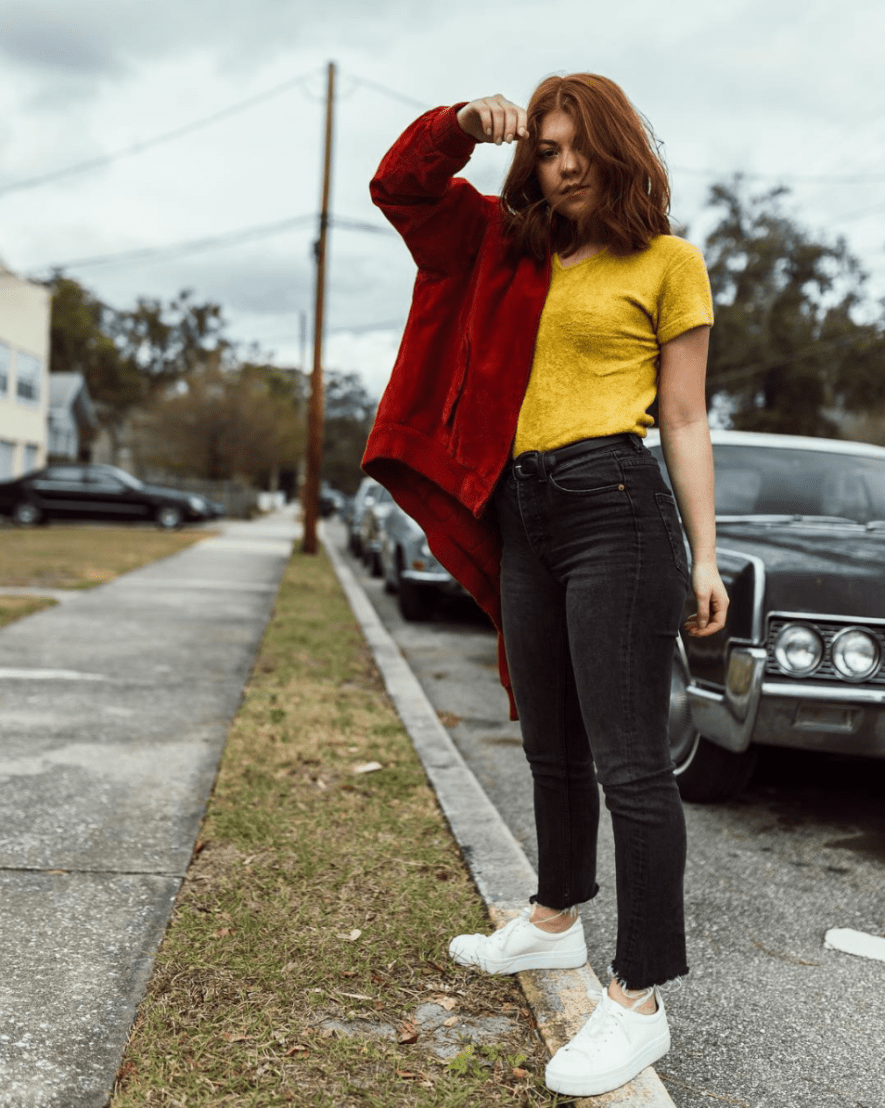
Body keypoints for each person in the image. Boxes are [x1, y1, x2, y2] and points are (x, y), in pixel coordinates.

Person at [362, 73, 728, 1098]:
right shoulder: (503, 245)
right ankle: (555, 917)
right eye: (548, 148)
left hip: (617, 500)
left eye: (579, 148)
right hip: (522, 511)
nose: (562, 165)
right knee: (546, 736)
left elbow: (687, 419)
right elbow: (401, 188)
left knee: (629, 761)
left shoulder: (668, 263)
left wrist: (704, 554)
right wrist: (460, 127)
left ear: (616, 150)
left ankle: (640, 998)